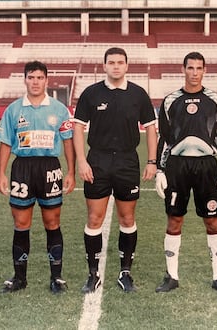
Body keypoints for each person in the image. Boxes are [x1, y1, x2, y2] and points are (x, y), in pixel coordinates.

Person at [73, 47, 157, 293]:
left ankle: (125, 272)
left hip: (127, 161)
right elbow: (78, 128)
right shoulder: (91, 93)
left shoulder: (138, 94)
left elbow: (151, 128)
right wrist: (81, 161)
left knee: (127, 218)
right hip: (97, 160)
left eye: (121, 62)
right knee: (94, 218)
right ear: (104, 65)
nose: (116, 66)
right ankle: (93, 273)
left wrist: (152, 161)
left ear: (127, 66)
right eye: (111, 62)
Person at [155, 51, 217, 294]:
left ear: (204, 70)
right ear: (183, 69)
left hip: (206, 166)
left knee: (212, 220)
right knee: (174, 219)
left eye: (199, 68)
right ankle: (172, 276)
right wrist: (160, 169)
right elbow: (164, 139)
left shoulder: (216, 100)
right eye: (190, 68)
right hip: (177, 166)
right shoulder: (170, 100)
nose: (194, 72)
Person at [0, 61, 75, 294]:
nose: (36, 82)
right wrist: (1, 173)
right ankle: (20, 278)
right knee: (21, 224)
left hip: (50, 167)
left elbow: (68, 141)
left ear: (47, 80)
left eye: (40, 78)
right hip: (22, 169)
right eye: (31, 77)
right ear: (25, 80)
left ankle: (56, 277)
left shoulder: (59, 109)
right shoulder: (13, 109)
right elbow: (6, 143)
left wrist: (70, 171)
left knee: (52, 222)